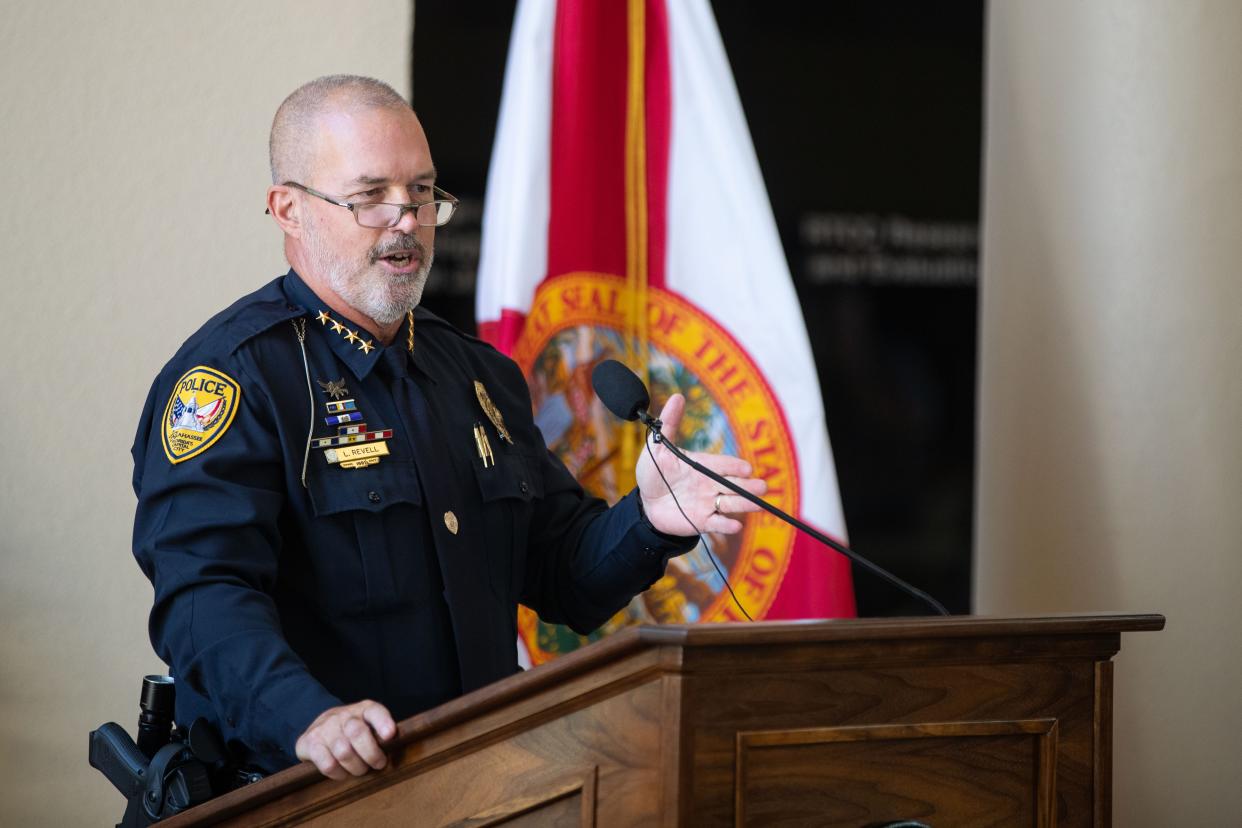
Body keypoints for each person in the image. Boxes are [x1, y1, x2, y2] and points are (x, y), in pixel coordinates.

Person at [130, 75, 766, 782]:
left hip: (481, 785)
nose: (406, 221)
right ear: (289, 209)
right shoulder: (235, 379)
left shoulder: (474, 375)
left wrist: (650, 519)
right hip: (308, 791)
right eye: (371, 196)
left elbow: (561, 576)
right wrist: (305, 717)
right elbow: (203, 598)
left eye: (422, 193)